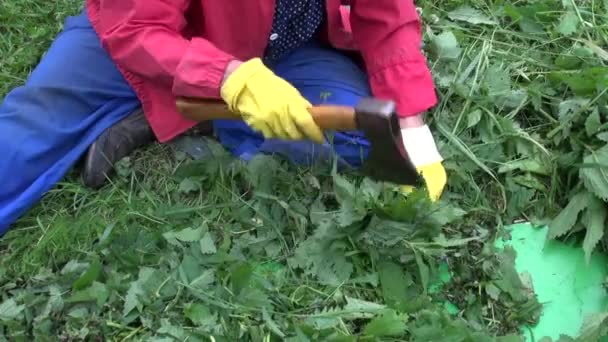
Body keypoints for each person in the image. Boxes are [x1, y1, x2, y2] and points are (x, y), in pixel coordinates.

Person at [0, 0, 447, 235]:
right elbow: (136, 28)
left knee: (354, 139)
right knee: (27, 136)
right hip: (147, 38)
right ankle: (173, 104)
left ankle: (192, 115)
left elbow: (386, 13)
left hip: (282, 50)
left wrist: (411, 127)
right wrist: (231, 79)